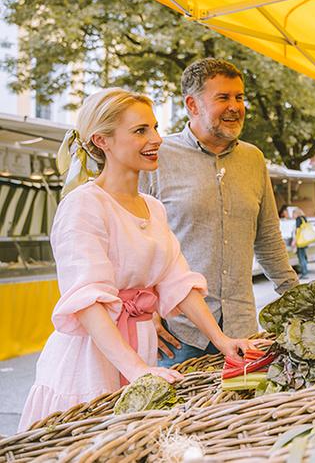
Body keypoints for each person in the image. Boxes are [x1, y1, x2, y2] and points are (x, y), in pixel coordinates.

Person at [18, 89, 257, 432]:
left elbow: (178, 280)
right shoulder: (84, 205)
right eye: (140, 130)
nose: (156, 139)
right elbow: (87, 301)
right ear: (103, 141)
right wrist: (136, 370)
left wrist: (222, 341)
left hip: (138, 352)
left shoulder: (153, 207)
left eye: (155, 128)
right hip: (92, 359)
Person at [140, 58, 299, 367]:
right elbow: (138, 241)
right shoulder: (158, 159)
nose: (235, 106)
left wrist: (295, 296)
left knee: (240, 413)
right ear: (192, 104)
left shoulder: (253, 159)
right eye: (223, 97)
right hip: (180, 335)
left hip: (242, 330)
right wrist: (146, 311)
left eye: (239, 97)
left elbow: (267, 237)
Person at [292, 208, 310, 279]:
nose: (292, 215)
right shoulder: (304, 219)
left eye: (293, 214)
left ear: (296, 213)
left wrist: (294, 241)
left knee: (301, 257)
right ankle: (305, 271)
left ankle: (304, 273)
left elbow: (298, 231)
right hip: (305, 240)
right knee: (304, 256)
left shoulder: (298, 219)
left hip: (300, 241)